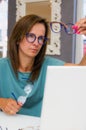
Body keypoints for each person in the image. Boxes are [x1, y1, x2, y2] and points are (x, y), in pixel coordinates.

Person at [0, 14, 85, 117]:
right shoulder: (2, 66)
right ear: (18, 38)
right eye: (31, 36)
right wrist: (1, 102)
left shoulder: (49, 65)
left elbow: (82, 71)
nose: (36, 43)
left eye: (41, 38)